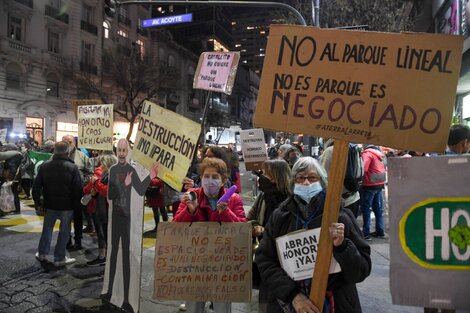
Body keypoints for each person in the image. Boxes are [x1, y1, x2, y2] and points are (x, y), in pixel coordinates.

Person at [255, 157, 371, 313]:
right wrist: (293, 295)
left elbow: (361, 271)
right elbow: (265, 260)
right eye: (300, 178)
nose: (306, 183)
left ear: (322, 182)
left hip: (336, 304)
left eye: (312, 177)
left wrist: (343, 247)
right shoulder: (280, 217)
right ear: (293, 182)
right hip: (288, 304)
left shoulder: (340, 216)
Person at [173, 157, 246, 313]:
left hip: (222, 264)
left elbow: (242, 231)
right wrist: (191, 211)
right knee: (194, 306)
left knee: (222, 307)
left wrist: (225, 212)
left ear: (223, 180)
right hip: (195, 262)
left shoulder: (233, 199)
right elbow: (175, 228)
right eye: (206, 176)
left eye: (215, 177)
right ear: (200, 178)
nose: (209, 180)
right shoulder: (191, 195)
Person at [102, 138, 157, 313]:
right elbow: (110, 195)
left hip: (127, 219)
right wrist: (122, 185)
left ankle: (126, 299)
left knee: (126, 256)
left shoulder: (131, 170)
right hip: (115, 218)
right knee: (112, 253)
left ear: (129, 152)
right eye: (119, 150)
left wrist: (151, 176)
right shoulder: (113, 170)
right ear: (116, 151)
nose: (122, 153)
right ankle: (109, 291)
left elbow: (140, 190)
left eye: (124, 150)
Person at [33, 141, 82, 266]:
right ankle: (59, 258)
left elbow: (36, 187)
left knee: (47, 229)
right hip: (67, 206)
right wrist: (77, 207)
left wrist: (38, 202)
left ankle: (42, 253)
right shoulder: (72, 167)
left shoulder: (45, 166)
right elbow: (77, 189)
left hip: (50, 204)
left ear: (54, 150)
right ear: (67, 152)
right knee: (64, 231)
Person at [247, 159, 292, 292]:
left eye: (266, 174)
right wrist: (255, 226)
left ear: (276, 177)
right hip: (265, 254)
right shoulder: (262, 197)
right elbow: (249, 218)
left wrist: (266, 230)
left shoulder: (291, 200)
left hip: (285, 255)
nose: (262, 177)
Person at [83, 153, 117, 266]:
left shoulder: (114, 175)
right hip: (103, 209)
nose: (101, 166)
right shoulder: (106, 174)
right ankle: (106, 257)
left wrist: (95, 183)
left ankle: (109, 259)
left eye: (103, 163)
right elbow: (88, 189)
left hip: (109, 211)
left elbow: (107, 191)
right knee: (104, 234)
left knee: (107, 235)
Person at [62, 135, 94, 250]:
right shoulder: (56, 157)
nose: (67, 144)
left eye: (70, 142)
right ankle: (67, 240)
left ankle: (78, 241)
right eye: (64, 142)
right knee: (65, 219)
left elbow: (90, 173)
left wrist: (80, 182)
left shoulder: (82, 157)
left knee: (78, 219)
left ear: (74, 143)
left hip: (78, 194)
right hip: (63, 195)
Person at [320, 139, 362, 218]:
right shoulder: (353, 148)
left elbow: (324, 178)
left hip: (339, 201)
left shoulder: (330, 151)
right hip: (354, 197)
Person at [360, 144, 387, 241]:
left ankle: (366, 234)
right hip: (380, 183)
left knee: (366, 209)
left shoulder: (367, 154)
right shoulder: (380, 154)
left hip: (369, 184)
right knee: (378, 208)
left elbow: (364, 168)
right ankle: (380, 231)